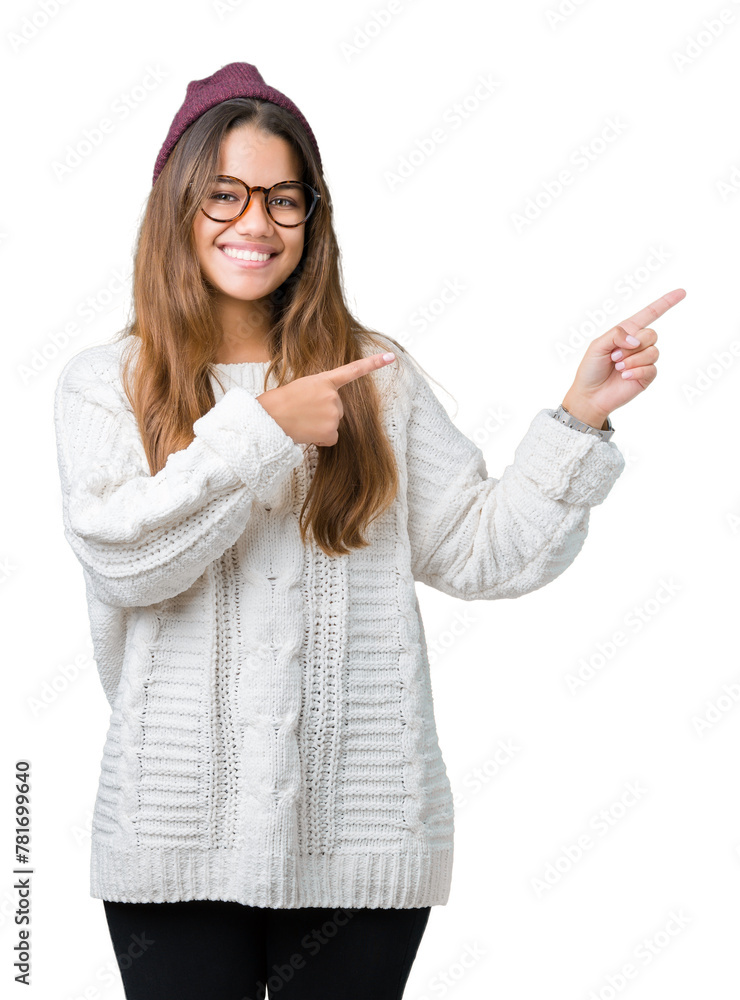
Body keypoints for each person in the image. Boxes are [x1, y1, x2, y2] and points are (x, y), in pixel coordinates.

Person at [52, 61, 684, 1000]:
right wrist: (263, 431)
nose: (256, 223)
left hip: (364, 837)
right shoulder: (107, 381)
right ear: (176, 208)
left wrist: (578, 419)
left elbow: (483, 550)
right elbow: (123, 558)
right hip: (173, 837)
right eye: (223, 194)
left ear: (314, 217)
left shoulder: (374, 379)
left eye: (283, 198)